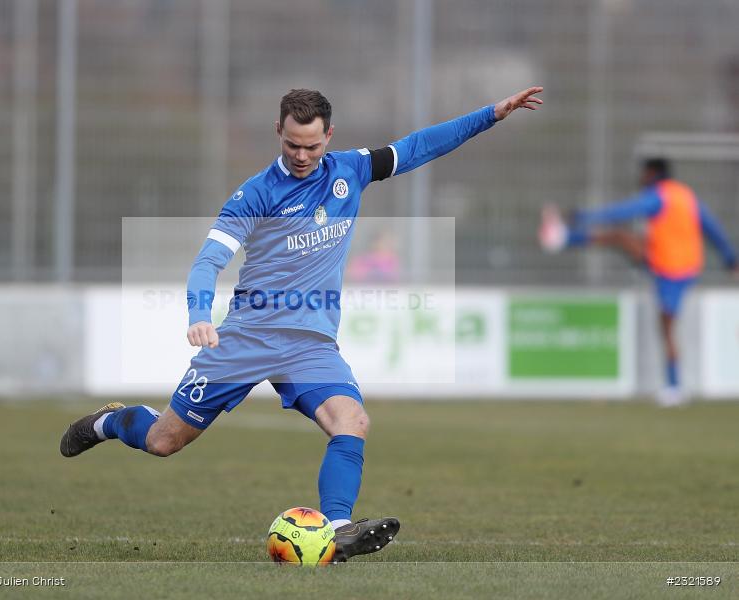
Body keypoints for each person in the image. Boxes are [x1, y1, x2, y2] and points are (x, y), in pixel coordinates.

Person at [62, 86, 544, 561]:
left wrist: (491, 114)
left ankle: (337, 529)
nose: (301, 154)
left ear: (329, 136)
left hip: (310, 342)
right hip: (247, 336)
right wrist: (199, 315)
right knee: (162, 441)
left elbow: (419, 146)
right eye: (292, 143)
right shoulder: (255, 194)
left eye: (312, 145)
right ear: (278, 132)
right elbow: (208, 260)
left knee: (351, 421)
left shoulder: (350, 171)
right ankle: (107, 422)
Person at [539, 158, 738, 406]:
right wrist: (731, 259)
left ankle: (675, 387)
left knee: (666, 326)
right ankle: (564, 238)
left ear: (654, 174)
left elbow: (624, 211)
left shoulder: (659, 196)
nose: (642, 179)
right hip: (682, 265)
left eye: (645, 174)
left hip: (669, 269)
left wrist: (584, 215)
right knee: (621, 239)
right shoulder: (686, 196)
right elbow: (713, 228)